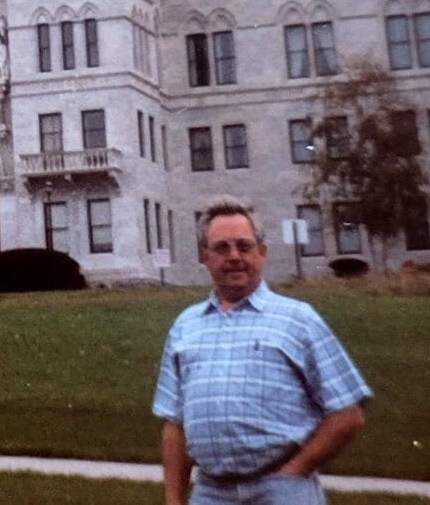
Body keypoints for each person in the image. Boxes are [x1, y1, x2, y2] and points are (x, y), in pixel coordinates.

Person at [153, 198, 370, 505]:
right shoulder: (185, 326)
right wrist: (174, 501)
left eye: (244, 246)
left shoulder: (298, 319)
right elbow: (175, 425)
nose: (234, 256)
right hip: (211, 492)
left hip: (281, 489)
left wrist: (295, 471)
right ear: (205, 257)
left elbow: (348, 414)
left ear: (262, 252)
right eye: (222, 248)